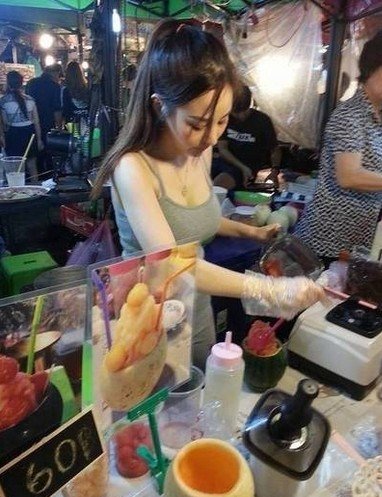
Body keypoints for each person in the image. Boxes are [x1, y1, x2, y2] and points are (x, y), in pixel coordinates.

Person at [93, 19, 324, 369]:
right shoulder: (133, 168)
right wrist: (268, 289)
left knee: (200, 390)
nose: (212, 137)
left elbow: (197, 220)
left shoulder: (200, 152)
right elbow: (171, 264)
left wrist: (252, 232)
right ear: (159, 106)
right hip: (146, 321)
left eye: (222, 121)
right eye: (197, 124)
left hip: (197, 309)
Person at [295, 25, 382, 266]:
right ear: (371, 65)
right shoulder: (349, 115)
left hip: (360, 239)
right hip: (325, 240)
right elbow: (349, 176)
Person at [212, 85, 281, 190]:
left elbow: (274, 149)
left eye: (244, 111)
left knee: (218, 186)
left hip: (247, 167)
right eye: (236, 113)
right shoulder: (226, 117)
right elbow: (223, 149)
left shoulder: (262, 120)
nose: (241, 116)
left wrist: (275, 171)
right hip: (226, 161)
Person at [0, 71, 43, 180]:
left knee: (15, 166)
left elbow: (4, 122)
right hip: (30, 133)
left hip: (13, 134)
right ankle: (35, 187)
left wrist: (2, 136)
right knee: (32, 165)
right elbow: (36, 122)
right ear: (21, 83)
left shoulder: (3, 101)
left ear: (8, 83)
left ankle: (17, 188)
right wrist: (39, 140)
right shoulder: (30, 100)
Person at [26, 64, 63, 174]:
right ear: (55, 73)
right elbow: (57, 110)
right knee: (49, 152)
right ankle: (48, 176)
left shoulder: (31, 83)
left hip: (31, 123)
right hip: (48, 123)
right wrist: (59, 127)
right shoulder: (55, 86)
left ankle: (38, 175)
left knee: (34, 154)